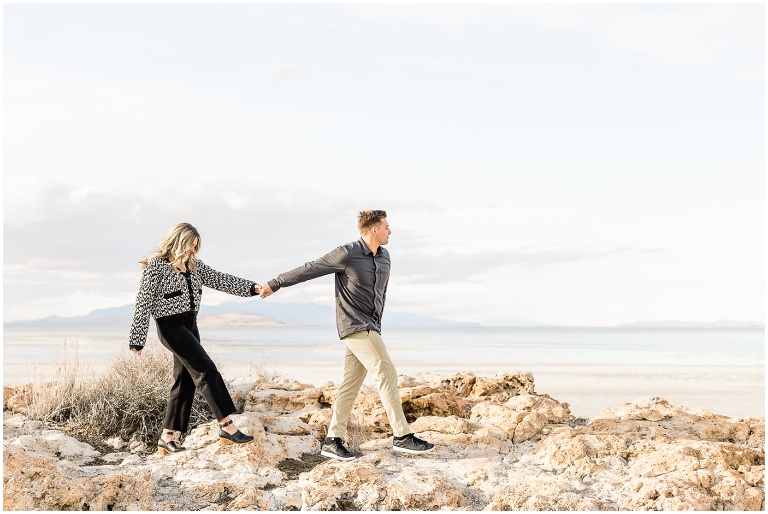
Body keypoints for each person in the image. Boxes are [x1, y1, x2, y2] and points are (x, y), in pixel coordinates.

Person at [259, 210, 435, 460]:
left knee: (350, 384)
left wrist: (377, 324)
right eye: (386, 226)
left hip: (372, 326)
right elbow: (310, 268)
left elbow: (380, 295)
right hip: (353, 325)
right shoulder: (347, 253)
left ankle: (332, 440)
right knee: (385, 371)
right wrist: (275, 283)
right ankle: (402, 436)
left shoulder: (384, 257)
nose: (390, 231)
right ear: (374, 229)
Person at [129, 222, 260, 455]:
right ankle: (227, 426)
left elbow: (221, 279)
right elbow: (143, 302)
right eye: (190, 245)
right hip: (170, 327)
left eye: (196, 246)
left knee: (184, 381)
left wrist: (252, 288)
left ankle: (166, 438)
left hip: (190, 326)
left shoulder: (194, 266)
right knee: (206, 370)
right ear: (179, 241)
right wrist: (137, 339)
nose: (192, 250)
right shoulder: (156, 266)